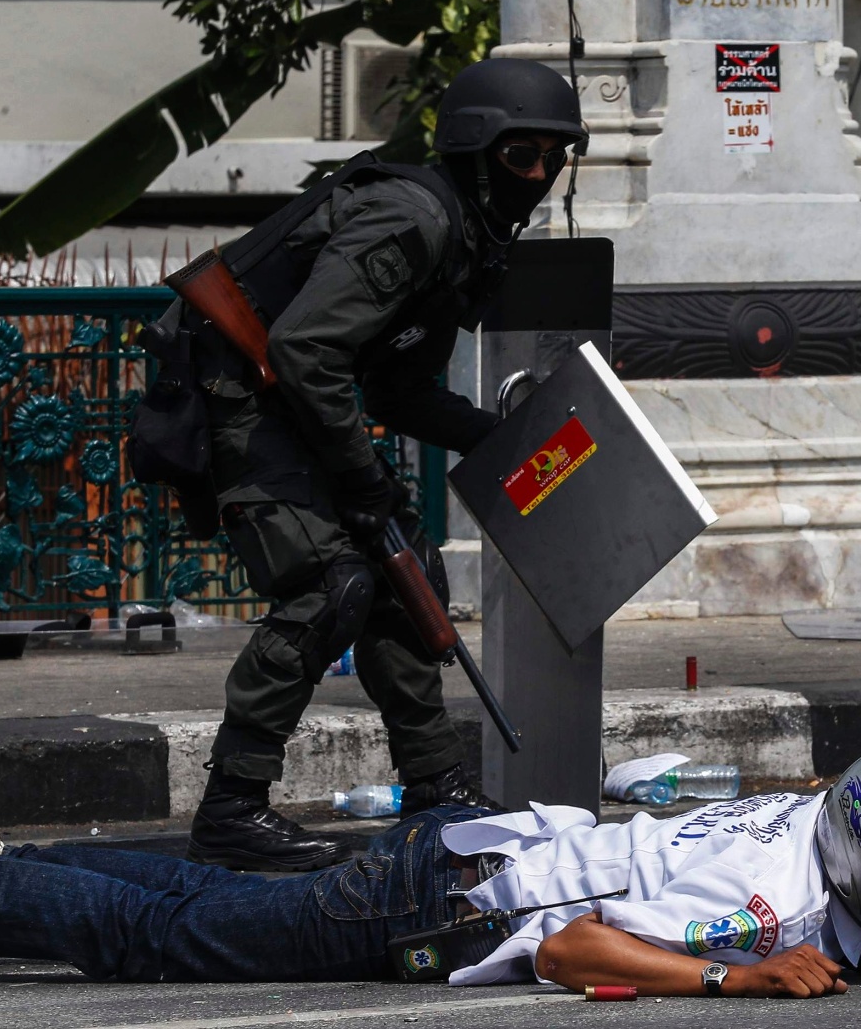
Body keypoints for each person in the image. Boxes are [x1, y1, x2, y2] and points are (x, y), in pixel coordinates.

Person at [167, 58, 588, 872]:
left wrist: (488, 435)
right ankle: (231, 807)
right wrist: (363, 483)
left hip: (295, 401)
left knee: (405, 572)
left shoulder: (466, 238)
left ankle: (434, 791)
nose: (539, 176)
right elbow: (303, 350)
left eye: (554, 157)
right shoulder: (415, 221)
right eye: (521, 156)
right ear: (475, 153)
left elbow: (396, 389)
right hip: (238, 396)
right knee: (334, 583)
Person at [0, 740, 861, 995]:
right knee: (171, 944)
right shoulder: (771, 919)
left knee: (217, 902)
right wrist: (741, 988)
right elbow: (568, 952)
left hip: (480, 842)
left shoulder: (806, 811)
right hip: (451, 899)